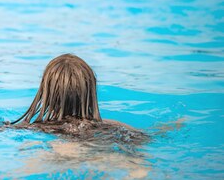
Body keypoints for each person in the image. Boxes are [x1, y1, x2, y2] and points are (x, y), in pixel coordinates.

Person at [10, 54, 146, 143]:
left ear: (46, 92)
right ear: (90, 90)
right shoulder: (116, 126)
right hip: (99, 145)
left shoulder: (31, 128)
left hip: (57, 151)